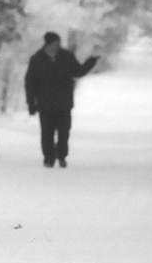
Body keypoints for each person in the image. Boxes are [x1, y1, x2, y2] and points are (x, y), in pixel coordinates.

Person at [24, 31, 99, 168]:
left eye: (58, 43)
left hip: (64, 103)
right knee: (47, 133)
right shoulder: (37, 59)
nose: (57, 46)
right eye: (54, 43)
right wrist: (31, 103)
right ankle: (49, 158)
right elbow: (30, 83)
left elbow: (78, 72)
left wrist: (91, 62)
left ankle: (62, 156)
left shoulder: (66, 57)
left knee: (64, 132)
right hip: (45, 104)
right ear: (47, 44)